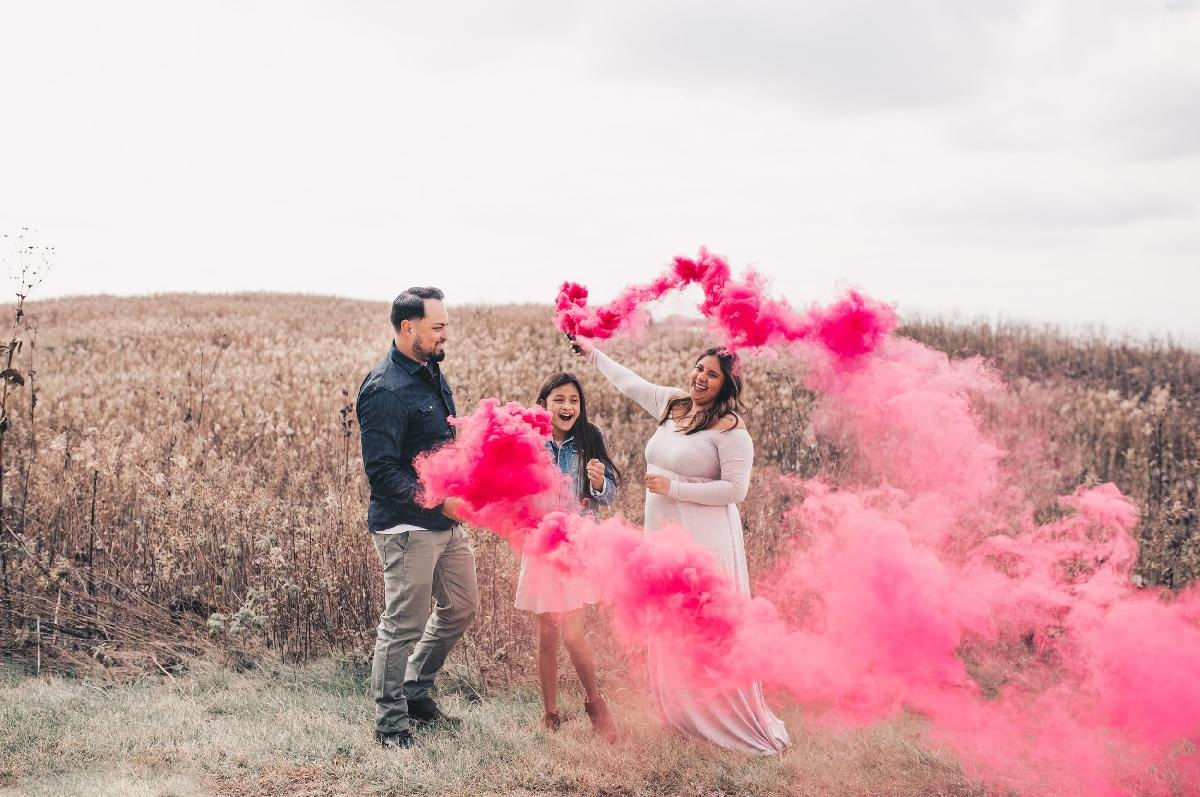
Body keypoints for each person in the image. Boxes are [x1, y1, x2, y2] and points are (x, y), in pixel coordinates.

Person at [574, 338, 789, 756]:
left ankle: (724, 718)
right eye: (698, 368)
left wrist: (673, 486)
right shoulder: (674, 405)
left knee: (702, 624)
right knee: (672, 623)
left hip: (704, 538)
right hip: (664, 531)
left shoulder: (731, 431)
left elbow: (736, 491)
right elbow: (630, 383)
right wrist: (593, 353)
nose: (700, 378)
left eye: (712, 374)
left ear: (727, 385)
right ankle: (684, 715)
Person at [356, 286, 478, 750]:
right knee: (402, 625)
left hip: (445, 523)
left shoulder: (431, 372)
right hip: (407, 527)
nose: (445, 333)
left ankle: (414, 691)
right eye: (438, 326)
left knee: (462, 607)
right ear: (409, 328)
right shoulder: (384, 389)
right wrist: (439, 502)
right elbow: (382, 472)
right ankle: (390, 724)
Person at [514, 372, 620, 740]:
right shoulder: (530, 440)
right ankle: (551, 713)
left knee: (574, 634)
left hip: (577, 548)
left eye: (573, 400)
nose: (567, 406)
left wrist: (598, 482)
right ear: (544, 404)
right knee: (547, 633)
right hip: (543, 546)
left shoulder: (591, 438)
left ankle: (595, 703)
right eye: (559, 399)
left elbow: (609, 496)